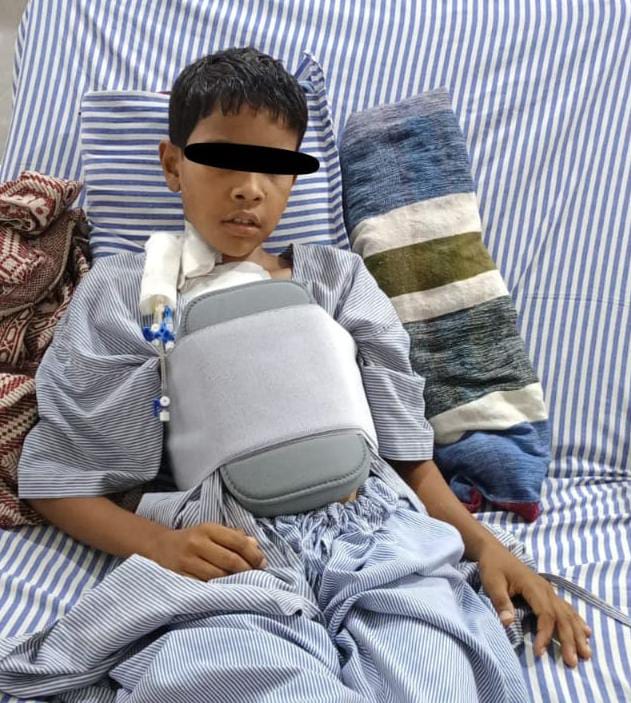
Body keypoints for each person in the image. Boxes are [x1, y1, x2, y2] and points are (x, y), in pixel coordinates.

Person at [14, 48, 590, 702]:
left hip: (376, 535)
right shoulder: (128, 293)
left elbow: (407, 456)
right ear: (173, 164)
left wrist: (486, 547)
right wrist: (158, 545)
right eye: (223, 159)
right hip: (232, 554)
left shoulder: (337, 281)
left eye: (274, 167)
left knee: (438, 681)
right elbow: (61, 480)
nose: (249, 188)